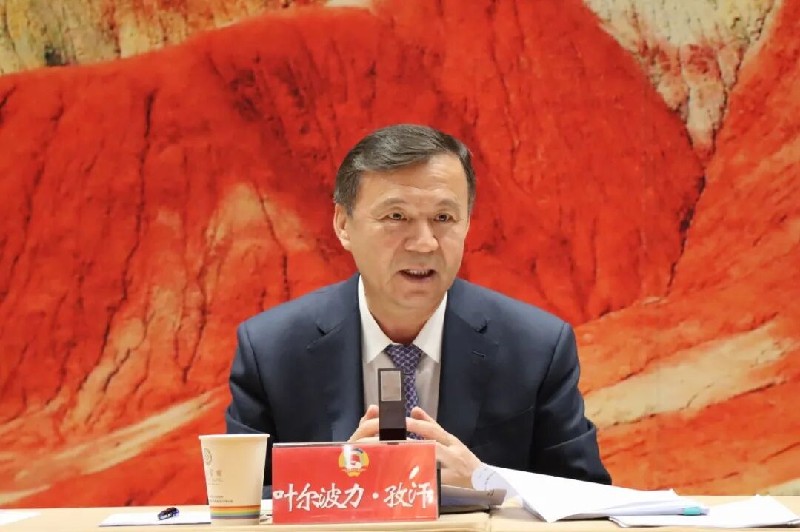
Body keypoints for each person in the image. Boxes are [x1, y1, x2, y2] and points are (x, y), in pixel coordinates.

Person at [225, 124, 611, 496]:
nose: (425, 243)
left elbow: (588, 501)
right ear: (343, 225)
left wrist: (488, 484)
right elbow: (242, 505)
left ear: (467, 224)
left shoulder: (536, 348)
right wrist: (336, 488)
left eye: (443, 218)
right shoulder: (272, 351)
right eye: (396, 217)